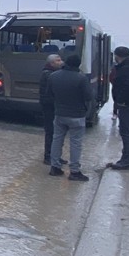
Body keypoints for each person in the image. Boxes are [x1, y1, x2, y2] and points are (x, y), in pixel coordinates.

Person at [47, 52, 93, 181]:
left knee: (57, 140)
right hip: (77, 115)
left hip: (60, 114)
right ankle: (74, 171)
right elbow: (88, 96)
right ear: (78, 65)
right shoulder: (81, 78)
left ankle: (54, 167)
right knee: (76, 143)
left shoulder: (53, 76)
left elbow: (49, 94)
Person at [39, 53, 65, 164]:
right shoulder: (48, 74)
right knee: (51, 131)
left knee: (58, 132)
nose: (61, 62)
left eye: (60, 60)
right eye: (58, 61)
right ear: (51, 63)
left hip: (54, 105)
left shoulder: (53, 73)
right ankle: (48, 155)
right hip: (49, 106)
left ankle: (56, 155)